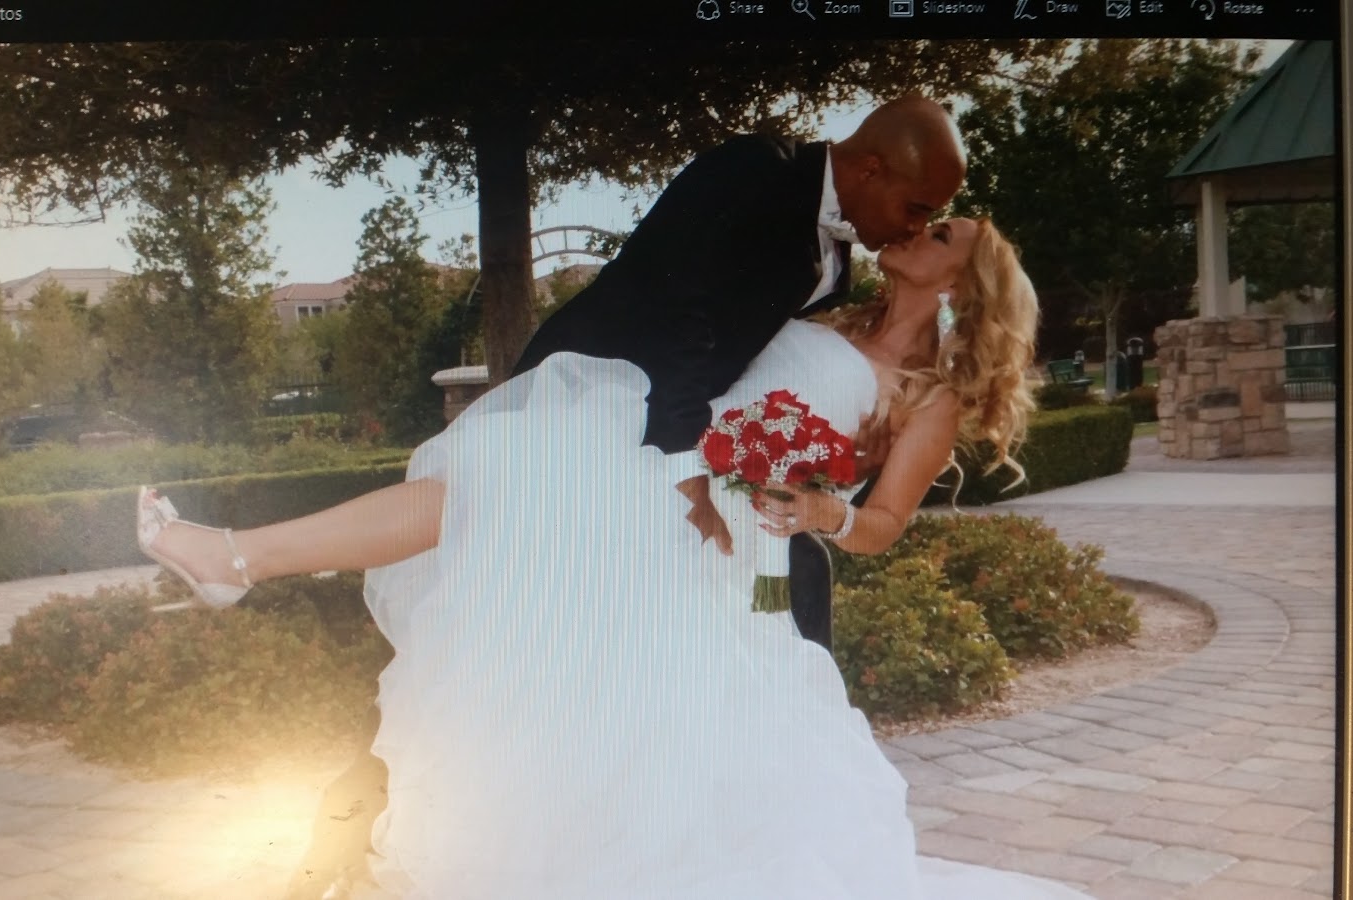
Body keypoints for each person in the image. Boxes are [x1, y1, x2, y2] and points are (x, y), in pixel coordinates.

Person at [137, 216, 1094, 899]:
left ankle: (238, 558)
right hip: (657, 467)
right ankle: (237, 557)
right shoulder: (825, 315)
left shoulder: (929, 396)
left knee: (505, 498)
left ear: (963, 285)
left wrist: (818, 510)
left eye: (942, 234)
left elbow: (884, 523)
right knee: (499, 484)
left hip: (713, 532)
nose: (919, 228)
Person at [275, 93, 965, 897]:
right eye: (919, 209)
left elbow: (754, 378)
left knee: (635, 679)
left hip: (693, 494)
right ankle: (355, 828)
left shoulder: (838, 272)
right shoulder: (753, 171)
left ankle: (672, 852)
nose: (916, 226)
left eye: (936, 224)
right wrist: (686, 468)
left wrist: (821, 475)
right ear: (871, 168)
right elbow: (684, 320)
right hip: (595, 431)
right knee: (496, 637)